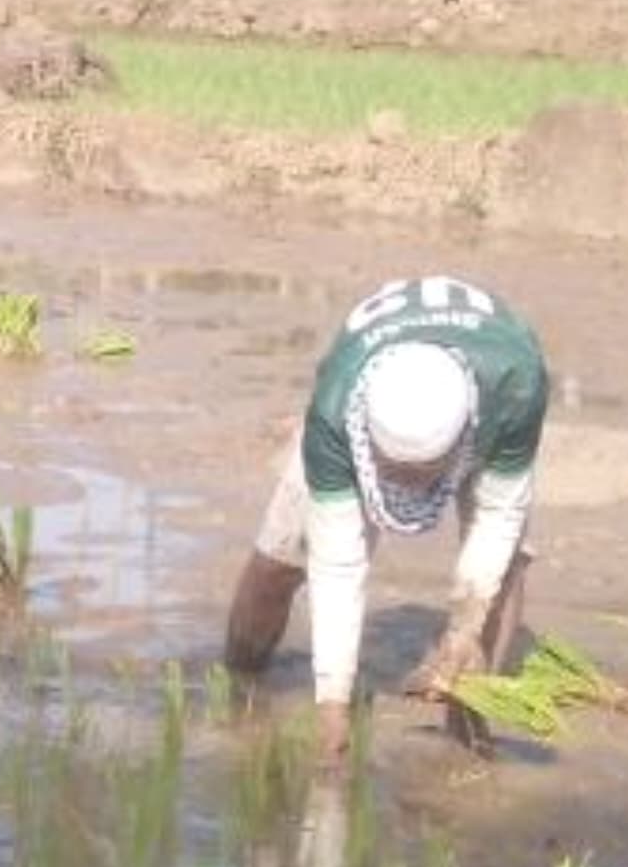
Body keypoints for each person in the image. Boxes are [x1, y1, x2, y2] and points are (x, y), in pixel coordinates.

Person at [221, 274, 549, 767]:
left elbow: (499, 517)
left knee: (502, 571)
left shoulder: (517, 384)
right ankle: (237, 687)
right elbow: (337, 567)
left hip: (486, 402)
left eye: (423, 475)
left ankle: (470, 719)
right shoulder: (335, 414)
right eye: (397, 473)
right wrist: (331, 706)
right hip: (359, 413)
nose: (411, 487)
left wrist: (463, 631)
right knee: (281, 562)